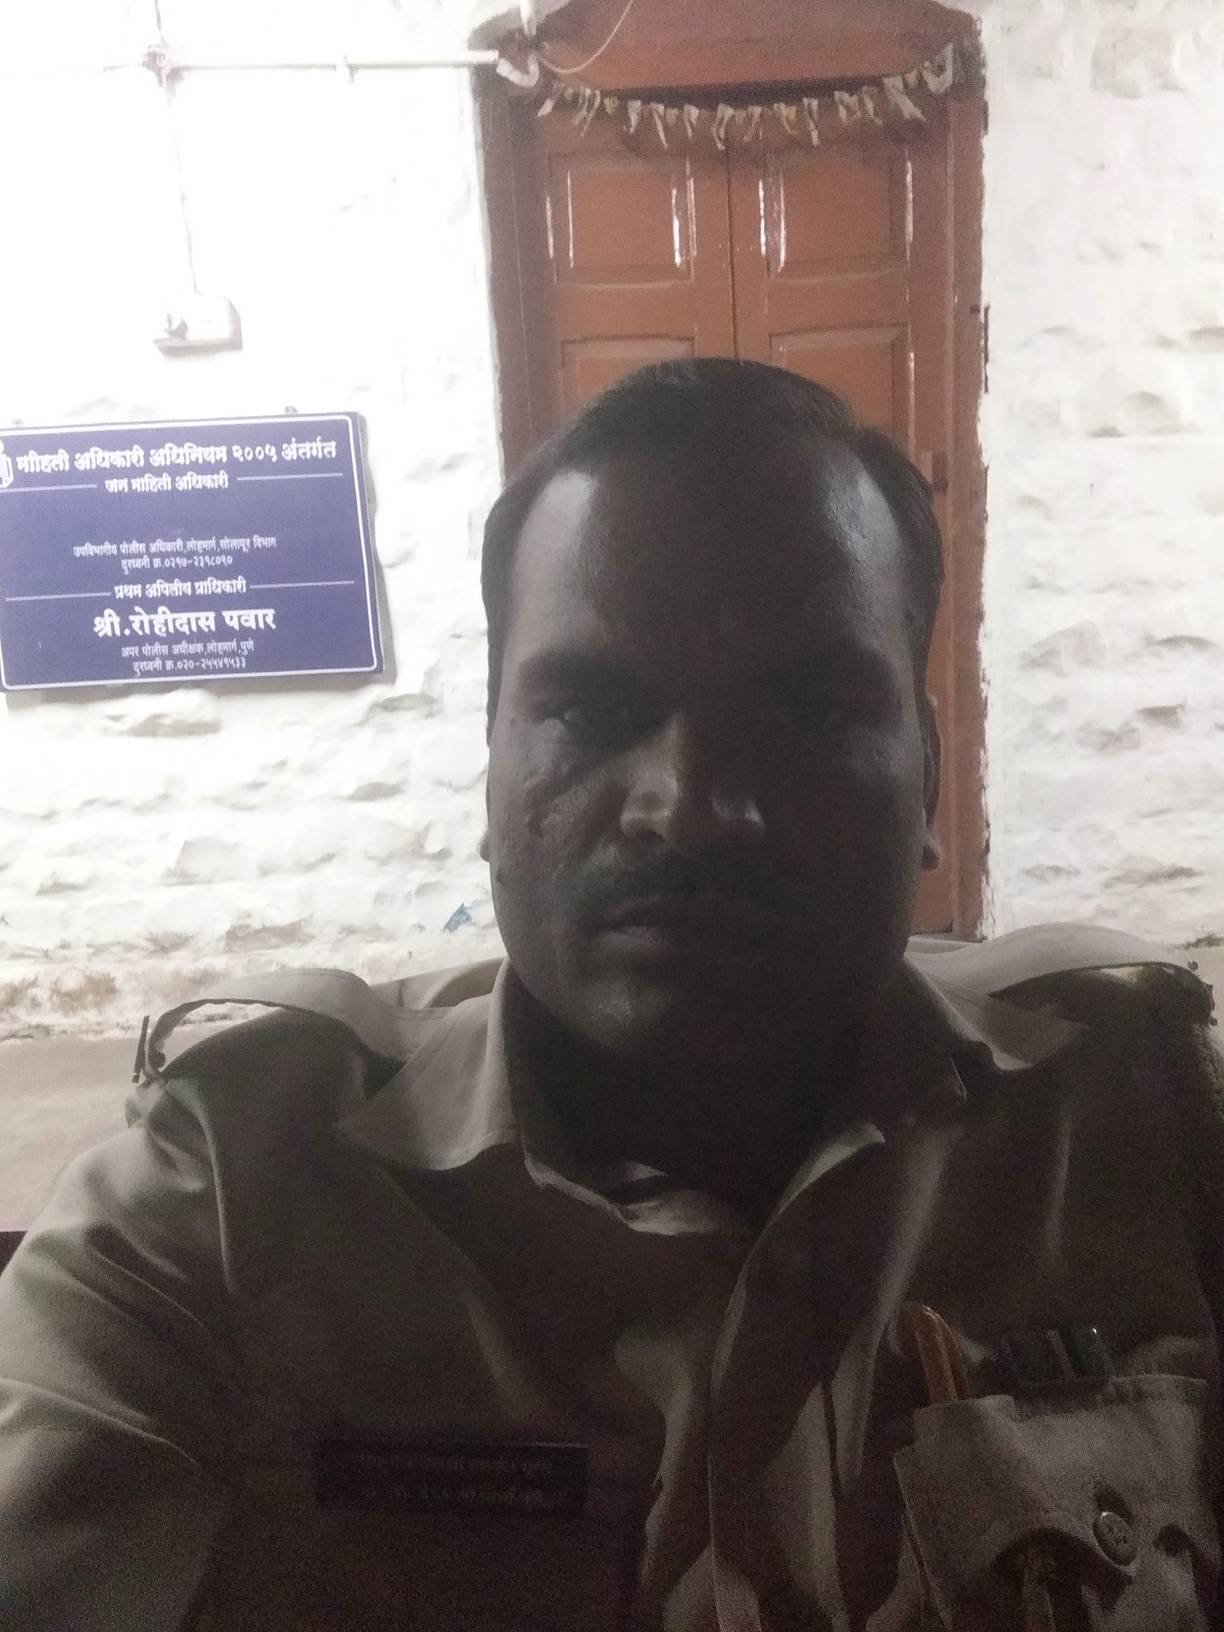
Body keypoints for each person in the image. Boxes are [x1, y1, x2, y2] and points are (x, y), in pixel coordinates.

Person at [1, 360, 1221, 1632]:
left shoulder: (1151, 1134)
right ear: (489, 775)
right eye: (592, 708)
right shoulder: (216, 1206)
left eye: (808, 709)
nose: (691, 809)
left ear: (925, 778)